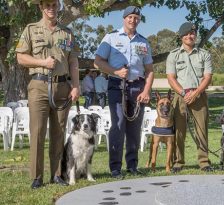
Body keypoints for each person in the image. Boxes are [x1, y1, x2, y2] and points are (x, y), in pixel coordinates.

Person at [15, 0, 80, 189]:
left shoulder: (67, 32)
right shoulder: (31, 29)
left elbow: (73, 62)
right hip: (39, 85)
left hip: (62, 87)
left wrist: (76, 86)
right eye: (47, 5)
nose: (51, 8)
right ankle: (36, 176)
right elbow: (20, 57)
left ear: (58, 7)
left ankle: (57, 174)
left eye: (54, 4)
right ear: (41, 7)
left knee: (59, 132)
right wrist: (42, 63)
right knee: (37, 131)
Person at [94, 6, 154, 178]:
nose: (133, 20)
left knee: (135, 129)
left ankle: (132, 166)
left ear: (139, 20)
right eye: (130, 17)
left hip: (137, 87)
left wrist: (146, 90)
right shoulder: (111, 37)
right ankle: (115, 167)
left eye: (136, 17)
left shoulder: (143, 42)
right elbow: (97, 62)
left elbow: (149, 69)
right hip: (117, 85)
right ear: (124, 18)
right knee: (118, 125)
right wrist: (115, 71)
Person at [166, 22, 213, 173]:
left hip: (199, 94)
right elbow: (171, 78)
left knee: (201, 130)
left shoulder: (204, 54)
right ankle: (178, 162)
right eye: (186, 34)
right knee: (179, 131)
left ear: (196, 35)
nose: (189, 36)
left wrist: (197, 92)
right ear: (181, 37)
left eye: (192, 33)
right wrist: (184, 93)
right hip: (181, 96)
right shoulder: (173, 55)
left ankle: (204, 161)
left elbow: (207, 77)